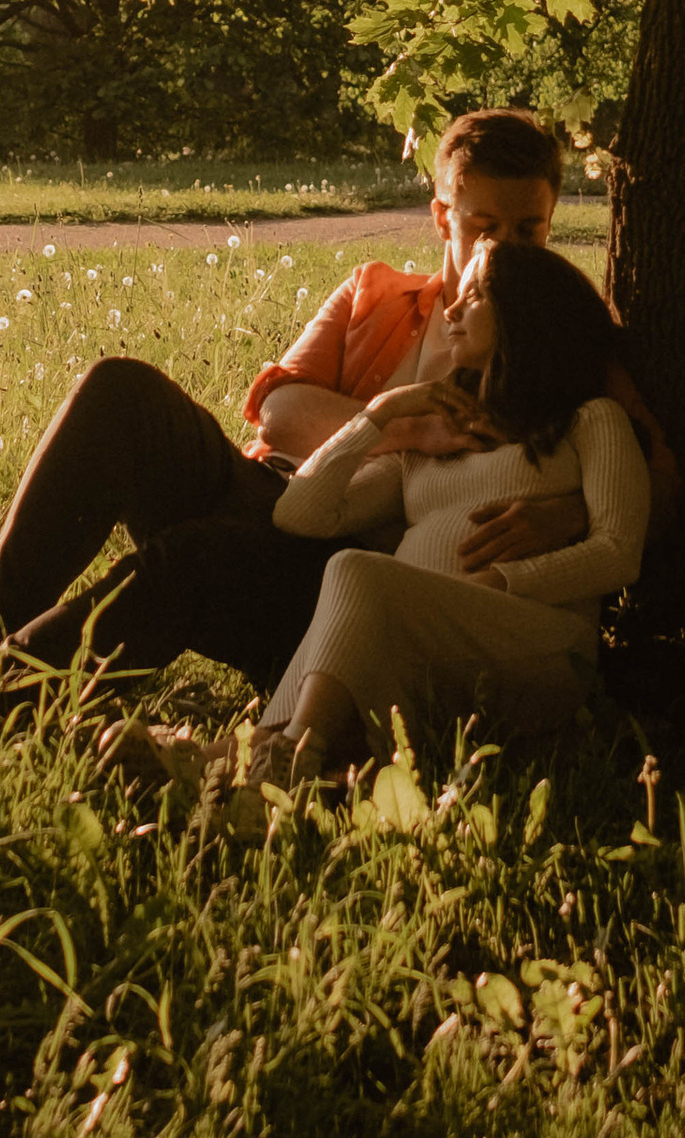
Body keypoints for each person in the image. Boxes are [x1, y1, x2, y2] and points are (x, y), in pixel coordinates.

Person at [0, 107, 675, 722]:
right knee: (122, 391)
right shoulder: (376, 294)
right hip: (286, 499)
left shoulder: (566, 334)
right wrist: (404, 427)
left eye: (529, 228)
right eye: (483, 227)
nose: (508, 247)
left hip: (365, 587)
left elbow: (649, 474)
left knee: (200, 554)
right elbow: (280, 408)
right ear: (441, 219)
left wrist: (567, 510)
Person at [253, 238, 647, 782]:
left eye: (476, 296)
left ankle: (287, 759)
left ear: (524, 313)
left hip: (540, 647)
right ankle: (252, 762)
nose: (454, 311)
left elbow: (618, 553)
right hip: (429, 642)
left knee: (354, 571)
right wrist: (379, 415)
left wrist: (503, 582)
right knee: (351, 592)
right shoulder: (436, 442)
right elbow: (298, 515)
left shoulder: (588, 421)